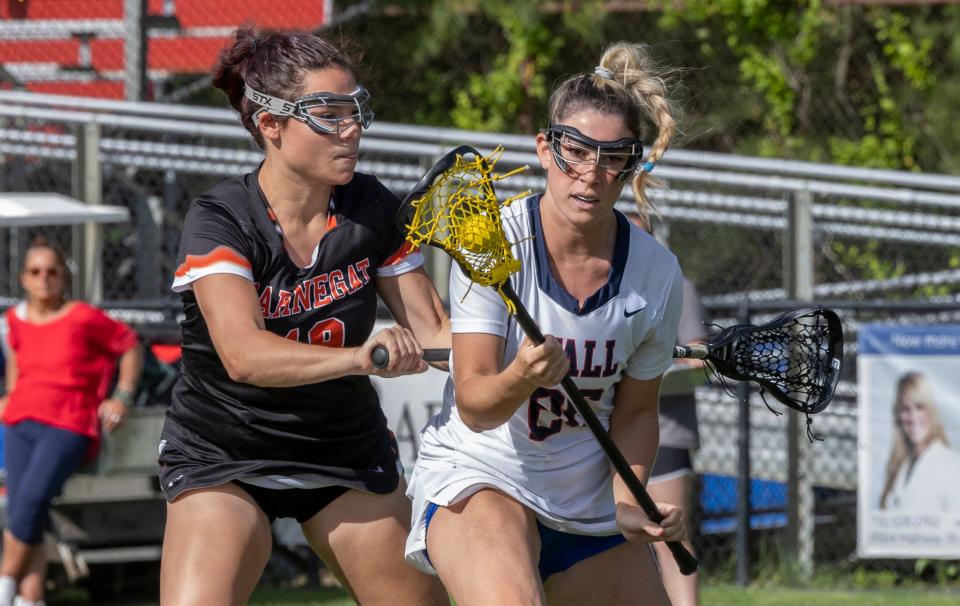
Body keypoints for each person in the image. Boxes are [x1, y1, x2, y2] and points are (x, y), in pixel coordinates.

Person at [157, 27, 450, 606]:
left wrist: (528, 346)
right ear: (271, 125)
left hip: (342, 451)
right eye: (330, 114)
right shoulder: (222, 217)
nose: (353, 129)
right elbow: (243, 356)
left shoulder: (372, 208)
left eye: (356, 110)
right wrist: (358, 358)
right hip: (226, 455)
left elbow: (435, 333)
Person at [405, 42, 686, 605]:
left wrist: (629, 503)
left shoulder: (657, 272)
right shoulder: (495, 244)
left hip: (586, 503)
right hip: (482, 475)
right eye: (575, 151)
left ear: (630, 164)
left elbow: (634, 414)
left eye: (612, 157)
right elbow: (477, 404)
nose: (590, 174)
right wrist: (523, 376)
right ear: (544, 148)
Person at [0, 238, 144, 606]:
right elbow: (17, 362)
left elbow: (129, 344)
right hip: (18, 421)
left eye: (52, 271)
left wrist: (122, 395)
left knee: (31, 501)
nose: (44, 279)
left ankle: (4, 586)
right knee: (22, 509)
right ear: (23, 278)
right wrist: (10, 397)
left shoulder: (82, 316)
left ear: (64, 277)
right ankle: (29, 600)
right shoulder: (13, 320)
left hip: (68, 423)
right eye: (35, 271)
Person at [632, 213, 708, 606]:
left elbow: (699, 360)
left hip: (666, 430)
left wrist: (644, 374)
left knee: (669, 536)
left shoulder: (677, 285)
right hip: (613, 436)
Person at [879, 371, 960, 512]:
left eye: (919, 407)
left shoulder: (952, 465)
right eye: (905, 409)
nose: (912, 417)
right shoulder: (897, 464)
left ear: (931, 410)